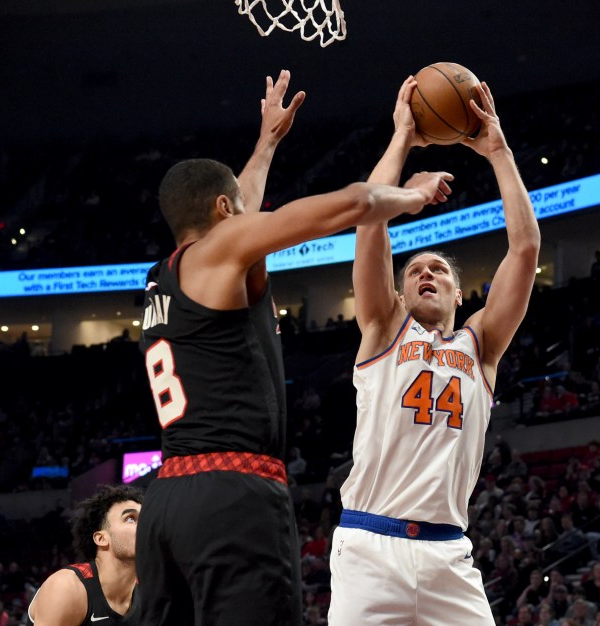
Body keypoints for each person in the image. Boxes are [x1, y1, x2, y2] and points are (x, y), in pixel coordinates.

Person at [135, 70, 455, 626]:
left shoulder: (165, 276)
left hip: (167, 502)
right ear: (222, 211)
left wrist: (266, 145)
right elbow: (352, 203)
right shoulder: (222, 248)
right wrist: (412, 196)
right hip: (231, 495)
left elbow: (240, 209)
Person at [327, 76, 540, 625]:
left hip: (449, 553)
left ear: (459, 293)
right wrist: (402, 137)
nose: (427, 273)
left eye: (439, 270)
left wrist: (498, 151)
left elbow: (525, 246)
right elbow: (369, 223)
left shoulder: (481, 344)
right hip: (370, 547)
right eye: (415, 269)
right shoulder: (382, 327)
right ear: (399, 292)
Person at [27, 485, 143, 625]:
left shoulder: (150, 593)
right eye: (130, 518)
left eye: (146, 518)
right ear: (101, 538)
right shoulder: (68, 588)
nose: (145, 524)